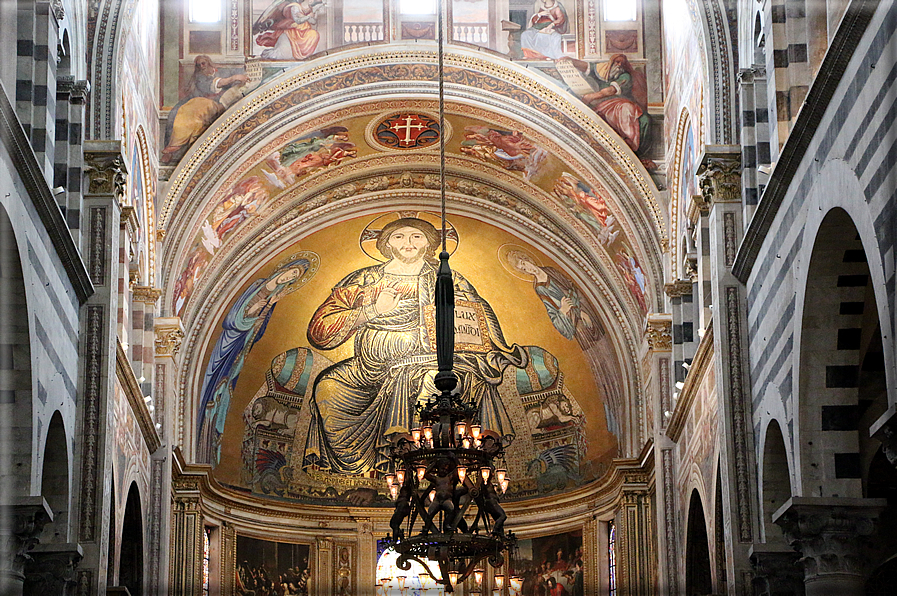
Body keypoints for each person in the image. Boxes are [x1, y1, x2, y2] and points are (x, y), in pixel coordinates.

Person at [302, 217, 527, 476]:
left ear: (429, 243)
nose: (408, 243)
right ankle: (359, 474)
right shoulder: (364, 279)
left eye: (416, 236)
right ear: (385, 244)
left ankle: (427, 469)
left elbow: (476, 317)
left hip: (425, 364)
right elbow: (320, 330)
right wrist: (373, 309)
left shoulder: (447, 278)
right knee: (327, 388)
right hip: (367, 371)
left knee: (432, 386)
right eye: (399, 237)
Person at [197, 256, 315, 465]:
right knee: (216, 383)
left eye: (295, 276)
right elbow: (231, 320)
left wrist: (267, 307)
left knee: (226, 389)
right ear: (285, 268)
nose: (290, 276)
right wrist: (253, 311)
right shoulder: (257, 286)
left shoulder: (274, 298)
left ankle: (212, 438)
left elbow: (259, 332)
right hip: (229, 342)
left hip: (241, 348)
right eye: (291, 271)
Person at [162, 55, 249, 163]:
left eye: (203, 63)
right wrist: (233, 78)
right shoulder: (200, 77)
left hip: (218, 103)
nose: (202, 66)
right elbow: (212, 86)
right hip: (203, 101)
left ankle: (175, 147)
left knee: (196, 110)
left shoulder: (222, 71)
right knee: (185, 112)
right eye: (199, 65)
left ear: (209, 63)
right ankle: (173, 148)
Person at [562, 54, 649, 153]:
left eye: (622, 63)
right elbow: (586, 66)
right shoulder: (602, 70)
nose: (619, 65)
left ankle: (630, 141)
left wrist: (590, 97)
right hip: (601, 104)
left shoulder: (625, 76)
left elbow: (611, 90)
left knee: (627, 108)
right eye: (617, 62)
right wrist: (570, 60)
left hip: (619, 102)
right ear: (611, 63)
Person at [254, 0, 325, 60]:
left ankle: (306, 56)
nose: (313, 1)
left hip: (305, 31)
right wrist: (308, 16)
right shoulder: (295, 7)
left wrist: (310, 17)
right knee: (281, 55)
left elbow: (313, 22)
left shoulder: (310, 8)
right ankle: (263, 55)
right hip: (293, 32)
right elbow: (298, 20)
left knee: (314, 34)